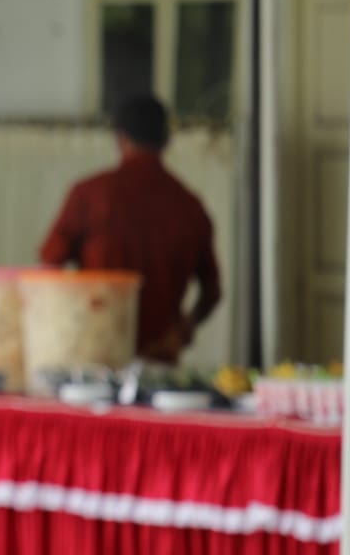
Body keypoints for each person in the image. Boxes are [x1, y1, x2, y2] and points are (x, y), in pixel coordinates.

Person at [38, 95, 222, 364]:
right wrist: (185, 328)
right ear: (166, 141)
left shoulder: (90, 195)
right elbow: (213, 291)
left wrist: (69, 323)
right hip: (160, 360)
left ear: (120, 138)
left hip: (97, 356)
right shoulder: (190, 206)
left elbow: (49, 267)